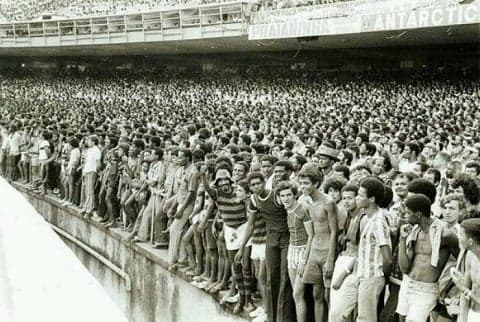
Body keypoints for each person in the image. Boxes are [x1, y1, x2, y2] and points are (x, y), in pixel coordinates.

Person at [236, 171, 295, 322]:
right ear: (250, 187)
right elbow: (250, 225)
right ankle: (271, 316)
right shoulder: (254, 200)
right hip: (271, 239)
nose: (257, 187)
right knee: (271, 278)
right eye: (253, 185)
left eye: (259, 183)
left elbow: (292, 212)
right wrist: (242, 247)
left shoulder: (276, 195)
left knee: (284, 277)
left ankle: (285, 318)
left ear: (264, 182)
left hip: (286, 237)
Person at [397, 193, 459, 322]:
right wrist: (402, 239)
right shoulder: (414, 231)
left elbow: (463, 263)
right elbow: (404, 268)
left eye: (408, 213)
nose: (405, 216)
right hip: (407, 283)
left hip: (426, 289)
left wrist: (448, 287)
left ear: (418, 214)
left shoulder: (445, 234)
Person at [298, 166, 337, 322]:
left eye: (306, 183)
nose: (302, 186)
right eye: (300, 183)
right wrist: (305, 258)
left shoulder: (328, 202)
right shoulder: (308, 202)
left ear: (316, 183)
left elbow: (334, 231)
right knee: (316, 294)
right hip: (314, 250)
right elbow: (312, 233)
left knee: (328, 296)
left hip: (327, 249)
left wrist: (330, 259)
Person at [355, 177, 392, 322]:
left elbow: (387, 257)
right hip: (364, 275)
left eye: (360, 195)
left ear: (371, 199)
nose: (357, 198)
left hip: (372, 276)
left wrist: (381, 277)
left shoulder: (378, 222)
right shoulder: (368, 218)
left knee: (366, 318)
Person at [277, 181, 312, 322]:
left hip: (304, 250)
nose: (286, 198)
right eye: (283, 195)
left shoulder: (302, 210)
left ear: (294, 195)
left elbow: (311, 235)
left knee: (298, 293)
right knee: (295, 293)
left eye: (289, 195)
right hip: (291, 250)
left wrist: (304, 260)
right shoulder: (285, 210)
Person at [452, 218, 480, 322]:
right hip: (472, 313)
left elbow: (464, 289)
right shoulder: (470, 255)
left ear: (470, 241)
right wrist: (462, 319)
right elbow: (465, 287)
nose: (458, 237)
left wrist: (465, 290)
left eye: (461, 235)